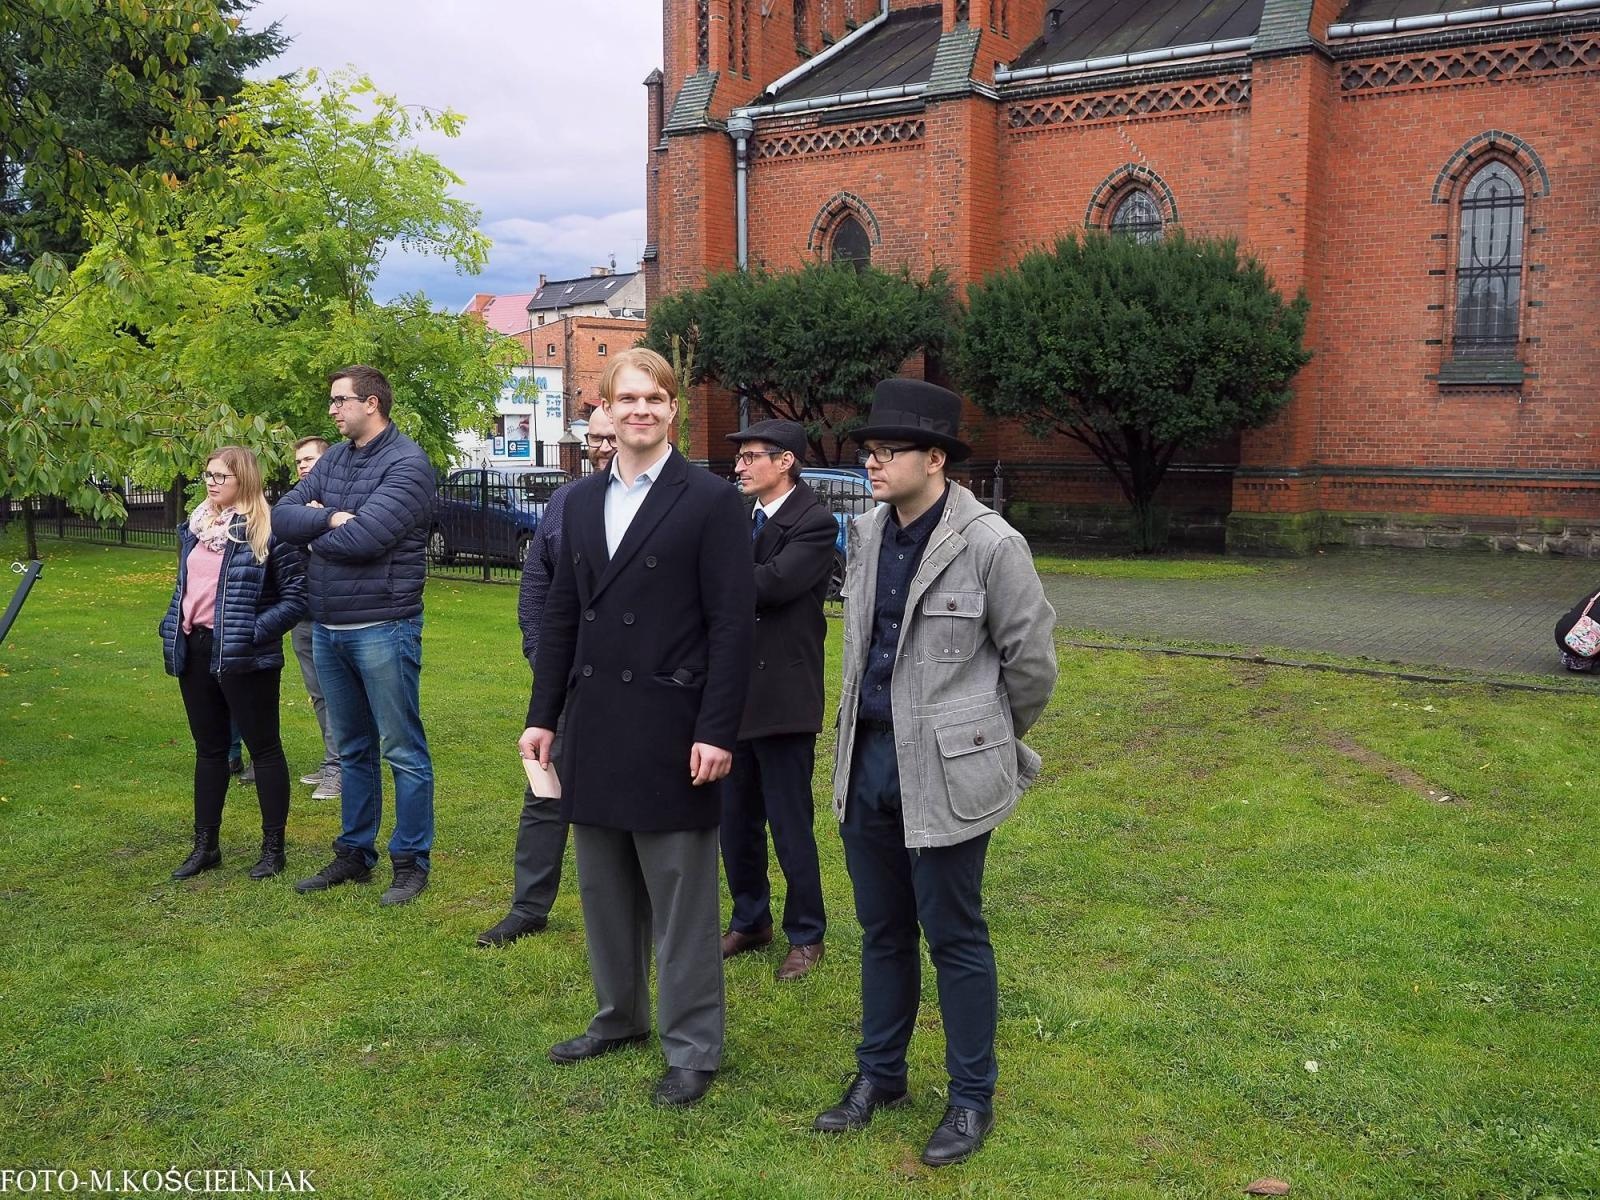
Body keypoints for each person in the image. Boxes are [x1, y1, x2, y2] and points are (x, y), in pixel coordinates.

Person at [812, 379, 1058, 1168]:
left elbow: (1032, 665)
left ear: (937, 458)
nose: (871, 461)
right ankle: (880, 1075)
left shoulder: (992, 544)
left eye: (887, 450)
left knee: (954, 934)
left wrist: (980, 739)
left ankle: (970, 1098)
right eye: (869, 449)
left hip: (947, 774)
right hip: (866, 762)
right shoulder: (866, 532)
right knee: (882, 931)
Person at [519, 347, 753, 1108]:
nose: (642, 410)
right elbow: (561, 617)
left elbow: (733, 627)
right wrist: (542, 716)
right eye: (628, 399)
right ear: (605, 409)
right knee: (604, 888)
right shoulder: (581, 503)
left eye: (655, 398)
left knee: (682, 897)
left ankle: (693, 1048)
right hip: (595, 724)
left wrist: (717, 729)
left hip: (674, 725)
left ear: (674, 408)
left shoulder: (712, 501)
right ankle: (618, 1017)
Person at [272, 365, 439, 906]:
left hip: (384, 626)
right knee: (352, 748)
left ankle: (410, 860)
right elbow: (282, 517)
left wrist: (324, 530)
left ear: (372, 403)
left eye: (340, 400)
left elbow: (367, 539)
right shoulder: (337, 459)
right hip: (328, 627)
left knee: (402, 749)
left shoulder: (408, 465)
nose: (332, 410)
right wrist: (329, 521)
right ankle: (354, 853)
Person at [477, 405, 619, 948]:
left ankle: (634, 911)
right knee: (544, 793)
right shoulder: (567, 503)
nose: (602, 447)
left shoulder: (666, 502)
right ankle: (528, 906)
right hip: (567, 682)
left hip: (639, 685)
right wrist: (547, 664)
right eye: (595, 438)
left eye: (610, 437)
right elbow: (536, 590)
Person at [718, 419, 837, 980]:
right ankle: (750, 918)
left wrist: (711, 569)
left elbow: (771, 585)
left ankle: (806, 933)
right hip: (734, 693)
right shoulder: (742, 520)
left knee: (790, 822)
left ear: (784, 461)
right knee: (734, 819)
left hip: (784, 697)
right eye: (739, 458)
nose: (739, 466)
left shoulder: (814, 522)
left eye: (749, 457)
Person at [159, 446, 307, 880]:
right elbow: (188, 587)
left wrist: (250, 631)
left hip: (248, 658)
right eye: (208, 474)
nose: (211, 482)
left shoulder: (267, 529)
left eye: (221, 476)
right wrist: (172, 623)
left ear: (244, 480)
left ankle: (272, 849)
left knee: (264, 750)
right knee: (210, 750)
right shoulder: (197, 527)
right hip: (197, 650)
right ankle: (206, 846)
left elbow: (295, 598)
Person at [289, 435, 342, 800]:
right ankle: (331, 761)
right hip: (302, 616)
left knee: (338, 695)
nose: (303, 466)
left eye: (309, 460)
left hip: (334, 615)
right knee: (319, 695)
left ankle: (340, 768)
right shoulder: (294, 509)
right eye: (298, 462)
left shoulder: (338, 505)